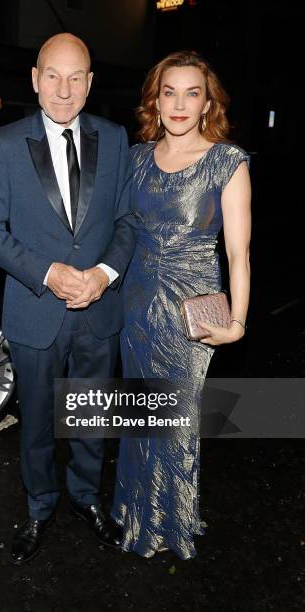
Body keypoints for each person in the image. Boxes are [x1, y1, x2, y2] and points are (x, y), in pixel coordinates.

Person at [0, 33, 136, 564]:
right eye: (53, 76)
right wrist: (47, 271)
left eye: (76, 78)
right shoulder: (3, 144)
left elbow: (128, 221)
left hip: (99, 310)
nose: (63, 90)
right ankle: (39, 507)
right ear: (35, 79)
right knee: (37, 423)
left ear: (90, 83)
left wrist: (105, 274)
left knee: (90, 418)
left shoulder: (115, 139)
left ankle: (86, 498)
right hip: (34, 310)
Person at [111, 50, 251, 560]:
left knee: (177, 415)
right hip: (136, 298)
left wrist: (237, 320)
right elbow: (116, 229)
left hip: (191, 306)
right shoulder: (135, 157)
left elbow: (238, 253)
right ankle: (136, 511)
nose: (179, 103)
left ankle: (172, 519)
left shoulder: (226, 161)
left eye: (192, 93)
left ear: (207, 101)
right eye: (169, 91)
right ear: (155, 98)